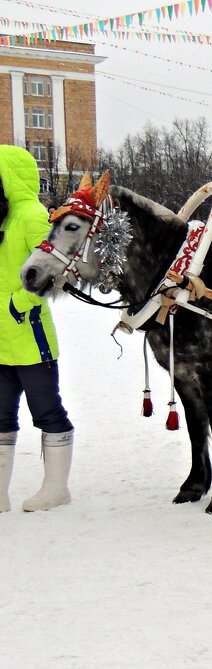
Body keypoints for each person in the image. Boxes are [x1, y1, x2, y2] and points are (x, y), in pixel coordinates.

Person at [0, 145, 74, 513]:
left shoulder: (31, 216)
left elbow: (52, 272)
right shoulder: (1, 217)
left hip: (30, 338)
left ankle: (56, 489)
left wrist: (19, 303)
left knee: (46, 411)